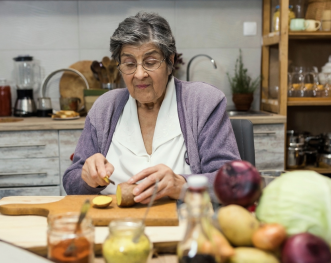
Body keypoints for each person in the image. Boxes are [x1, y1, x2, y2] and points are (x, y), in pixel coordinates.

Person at [63, 12, 240, 204]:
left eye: (150, 62)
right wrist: (87, 179)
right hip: (113, 224)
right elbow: (71, 181)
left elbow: (232, 181)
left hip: (183, 224)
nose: (139, 74)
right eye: (129, 64)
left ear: (170, 61)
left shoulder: (204, 102)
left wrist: (181, 185)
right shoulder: (105, 107)